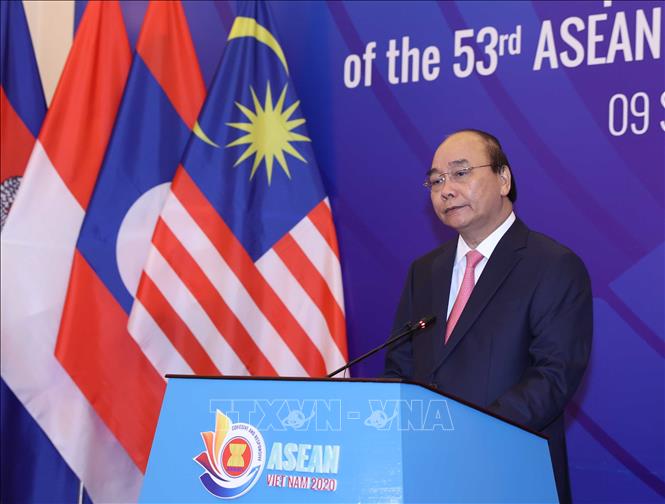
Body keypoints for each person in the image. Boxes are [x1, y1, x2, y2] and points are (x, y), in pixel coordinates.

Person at [384, 128, 592, 503]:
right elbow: (400, 367)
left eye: (460, 173)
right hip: (425, 475)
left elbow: (552, 377)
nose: (446, 190)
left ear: (503, 179)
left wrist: (469, 434)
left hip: (509, 475)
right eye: (436, 180)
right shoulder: (424, 271)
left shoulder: (553, 265)